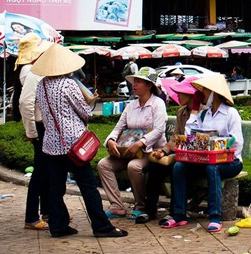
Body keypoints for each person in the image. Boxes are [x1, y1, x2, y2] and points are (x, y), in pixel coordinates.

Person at [32, 44, 128, 238]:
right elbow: (84, 111)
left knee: (55, 187)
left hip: (51, 144)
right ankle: (102, 227)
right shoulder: (68, 84)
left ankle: (58, 227)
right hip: (73, 145)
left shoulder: (40, 85)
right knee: (88, 186)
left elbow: (42, 113)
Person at [162, 74, 243, 232]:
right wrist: (193, 112)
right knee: (179, 167)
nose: (201, 94)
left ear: (214, 93)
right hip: (205, 160)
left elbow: (237, 143)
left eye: (205, 91)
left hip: (230, 162)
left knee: (213, 168)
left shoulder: (231, 114)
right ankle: (179, 214)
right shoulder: (203, 114)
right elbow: (189, 137)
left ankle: (214, 216)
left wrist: (217, 147)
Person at [98, 67, 167, 219]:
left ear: (149, 85)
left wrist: (141, 143)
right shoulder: (131, 106)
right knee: (103, 164)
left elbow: (159, 130)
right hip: (128, 151)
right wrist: (111, 141)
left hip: (151, 152)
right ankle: (117, 206)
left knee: (134, 166)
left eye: (138, 82)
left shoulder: (158, 104)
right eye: (134, 82)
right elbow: (118, 128)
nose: (134, 85)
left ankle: (140, 205)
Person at [143, 76, 203, 224]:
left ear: (191, 94)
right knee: (155, 165)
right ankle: (150, 210)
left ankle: (176, 212)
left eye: (182, 93)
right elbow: (175, 138)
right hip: (181, 154)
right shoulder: (181, 112)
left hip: (196, 157)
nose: (178, 96)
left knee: (177, 168)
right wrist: (163, 151)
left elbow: (200, 139)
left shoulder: (203, 113)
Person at [16, 33, 53, 230]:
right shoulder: (32, 71)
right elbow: (25, 102)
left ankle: (48, 212)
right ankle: (31, 216)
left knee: (46, 170)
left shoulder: (31, 69)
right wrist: (32, 132)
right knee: (40, 172)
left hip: (43, 127)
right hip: (40, 128)